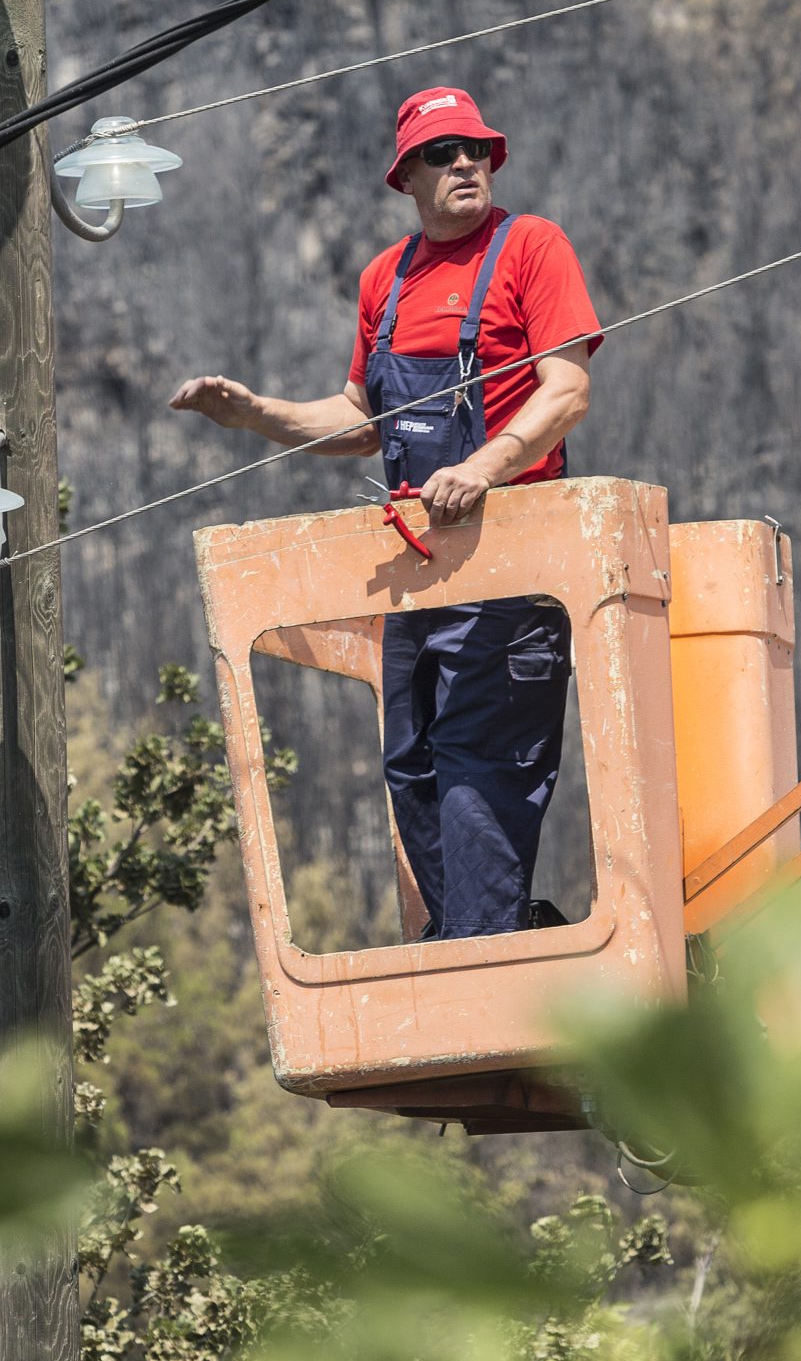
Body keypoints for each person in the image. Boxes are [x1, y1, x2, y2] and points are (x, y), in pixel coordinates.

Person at [169, 87, 604, 939]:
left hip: (512, 575)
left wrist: (482, 468)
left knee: (481, 775)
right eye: (443, 155)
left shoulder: (532, 247)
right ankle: (483, 942)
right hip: (418, 577)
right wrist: (255, 414)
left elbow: (569, 392)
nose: (466, 164)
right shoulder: (387, 279)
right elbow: (361, 423)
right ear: (406, 176)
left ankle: (484, 966)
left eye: (477, 149)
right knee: (413, 769)